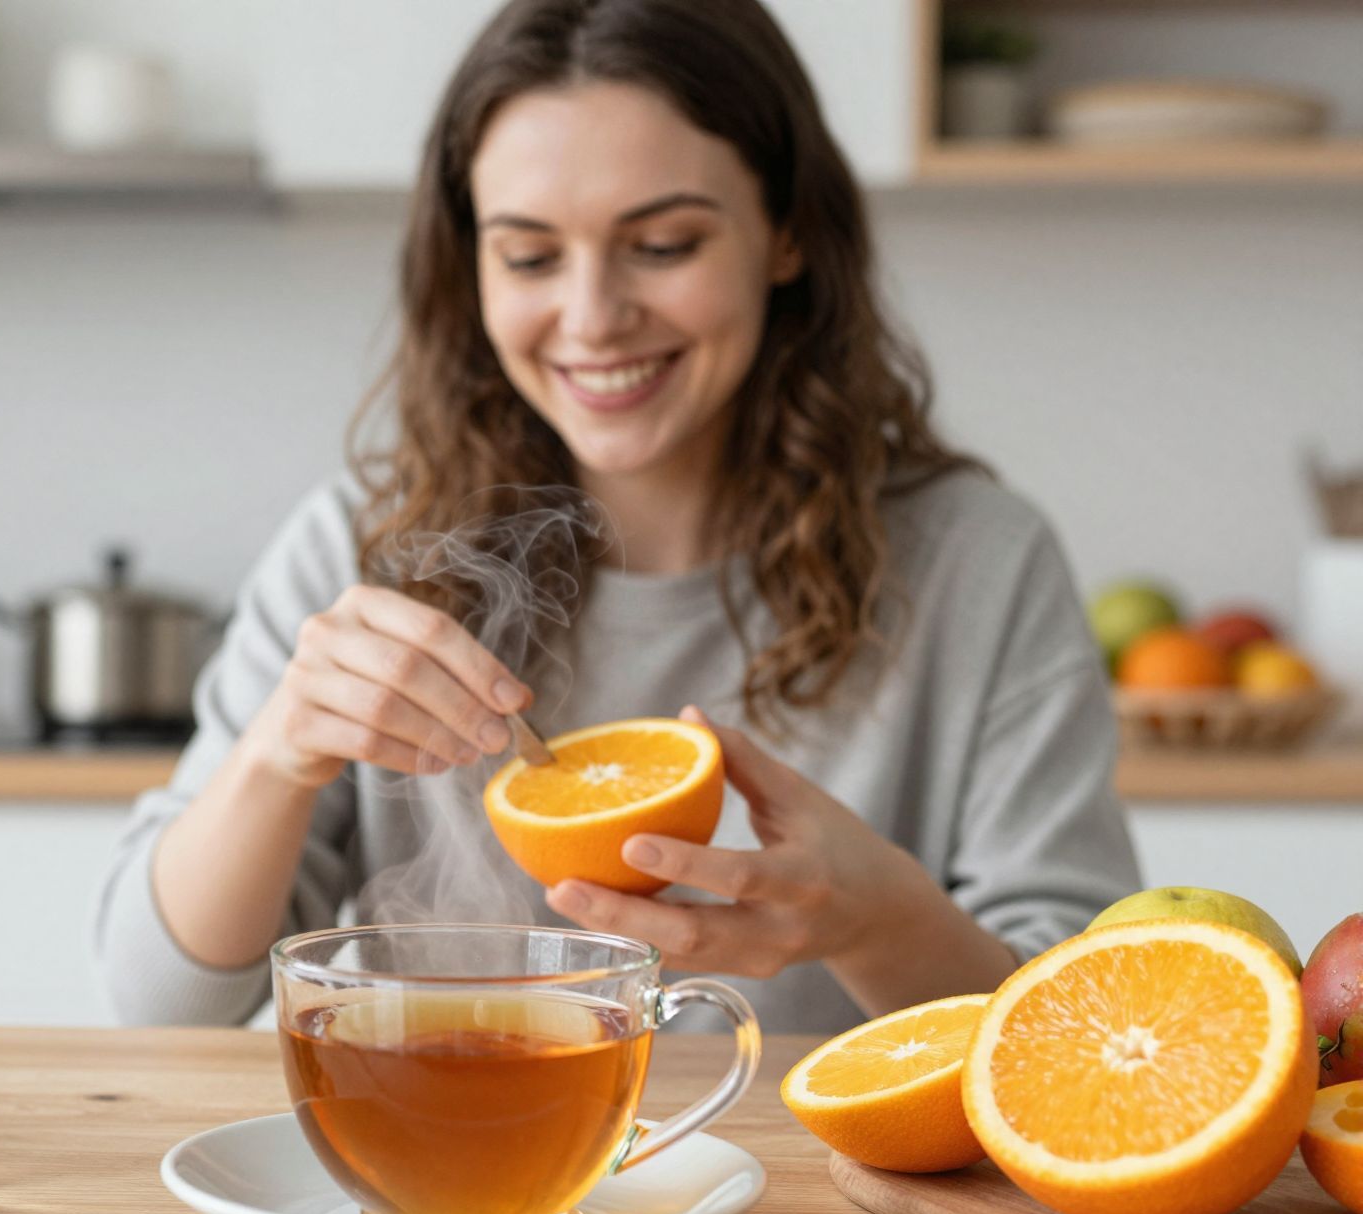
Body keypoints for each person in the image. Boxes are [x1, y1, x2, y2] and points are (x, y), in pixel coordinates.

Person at [93, 0, 1139, 1034]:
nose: (592, 317)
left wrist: (870, 922)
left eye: (663, 244)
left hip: (838, 1201)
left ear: (784, 234)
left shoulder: (977, 565)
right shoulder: (361, 551)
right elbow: (158, 1003)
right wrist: (280, 752)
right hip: (472, 1183)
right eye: (530, 256)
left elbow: (1089, 1044)